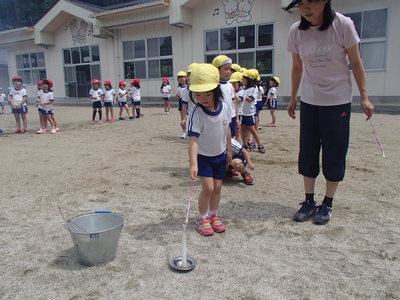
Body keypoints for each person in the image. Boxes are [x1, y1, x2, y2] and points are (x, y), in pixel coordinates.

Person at [286, 0, 374, 225]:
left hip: (337, 101)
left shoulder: (342, 24)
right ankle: (308, 201)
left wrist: (364, 96)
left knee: (334, 150)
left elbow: (356, 62)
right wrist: (294, 97)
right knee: (308, 150)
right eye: (301, 3)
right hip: (310, 100)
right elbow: (297, 67)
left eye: (311, 2)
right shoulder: (296, 31)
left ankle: (328, 203)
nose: (305, 8)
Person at [188, 63, 232, 236]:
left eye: (207, 94)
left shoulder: (225, 107)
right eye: (198, 94)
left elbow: (227, 129)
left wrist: (229, 150)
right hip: (204, 157)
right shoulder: (196, 113)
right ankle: (202, 217)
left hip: (220, 156)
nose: (203, 98)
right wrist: (193, 163)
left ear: (216, 91)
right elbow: (193, 140)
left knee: (218, 187)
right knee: (208, 188)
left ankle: (213, 214)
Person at [212, 55, 238, 138]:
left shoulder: (230, 85)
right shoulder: (213, 86)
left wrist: (236, 118)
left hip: (231, 117)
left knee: (231, 139)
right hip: (219, 118)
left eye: (230, 69)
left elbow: (233, 102)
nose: (228, 72)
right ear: (216, 70)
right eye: (226, 69)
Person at [240, 70, 266, 153]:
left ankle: (260, 145)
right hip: (242, 112)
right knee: (243, 130)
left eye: (244, 78)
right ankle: (244, 144)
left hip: (249, 113)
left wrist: (240, 95)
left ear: (249, 79)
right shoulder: (244, 88)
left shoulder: (254, 88)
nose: (242, 80)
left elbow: (250, 99)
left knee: (252, 129)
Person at [228, 71, 244, 142]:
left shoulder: (242, 91)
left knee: (238, 132)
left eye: (235, 83)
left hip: (239, 114)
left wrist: (232, 91)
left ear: (240, 83)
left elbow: (238, 99)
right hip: (232, 114)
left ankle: (238, 146)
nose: (233, 85)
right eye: (231, 83)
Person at [176, 71, 188, 138]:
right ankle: (184, 131)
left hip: (189, 103)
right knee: (183, 118)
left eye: (182, 77)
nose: (181, 79)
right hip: (181, 102)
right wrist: (177, 96)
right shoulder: (179, 88)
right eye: (179, 77)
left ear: (186, 78)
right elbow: (177, 95)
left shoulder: (189, 87)